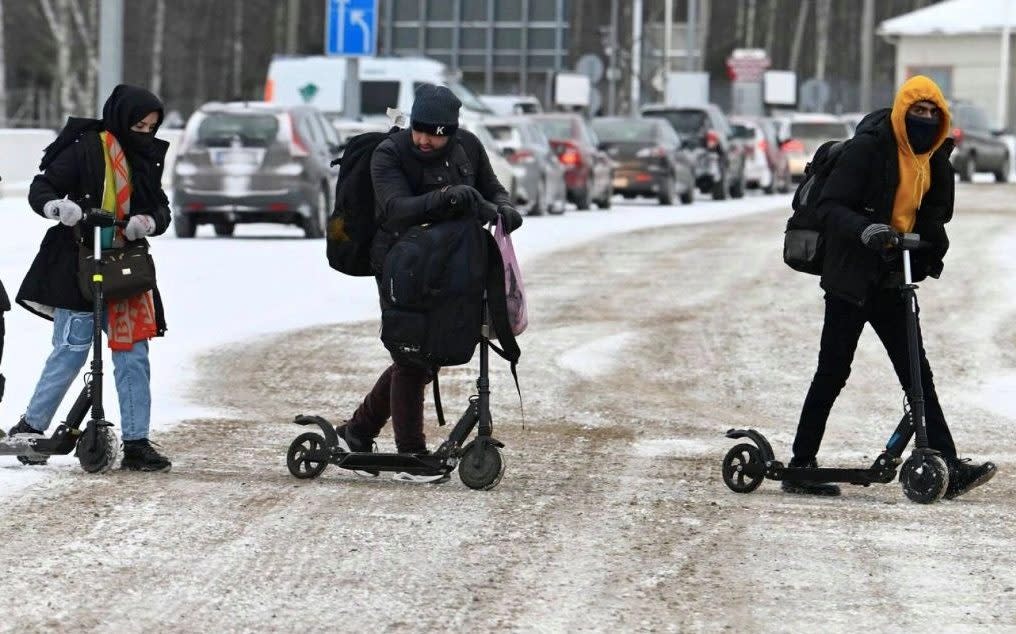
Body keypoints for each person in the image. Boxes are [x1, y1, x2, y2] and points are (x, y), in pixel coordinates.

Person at [784, 75, 996, 498]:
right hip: (851, 277)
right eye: (917, 110)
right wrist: (865, 230)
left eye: (933, 112)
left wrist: (932, 245)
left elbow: (934, 215)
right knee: (833, 371)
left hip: (893, 277)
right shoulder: (869, 149)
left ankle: (946, 465)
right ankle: (800, 464)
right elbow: (830, 206)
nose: (925, 118)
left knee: (918, 375)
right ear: (902, 111)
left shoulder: (934, 158)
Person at [336, 83, 522, 483]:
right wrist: (447, 197)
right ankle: (411, 454)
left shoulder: (468, 146)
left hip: (452, 265)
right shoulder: (391, 153)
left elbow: (491, 187)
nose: (425, 140)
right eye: (420, 130)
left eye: (436, 134)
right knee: (411, 353)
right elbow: (395, 207)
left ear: (451, 131)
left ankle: (359, 430)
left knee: (431, 352)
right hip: (400, 264)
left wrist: (504, 207)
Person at [10, 84, 173, 472]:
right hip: (77, 264)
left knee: (133, 355)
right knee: (71, 348)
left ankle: (136, 442)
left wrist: (147, 221)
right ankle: (31, 427)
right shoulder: (86, 146)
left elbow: (160, 208)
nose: (146, 133)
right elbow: (42, 186)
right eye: (139, 125)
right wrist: (58, 207)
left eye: (152, 127)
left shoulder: (148, 157)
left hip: (125, 269)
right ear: (120, 118)